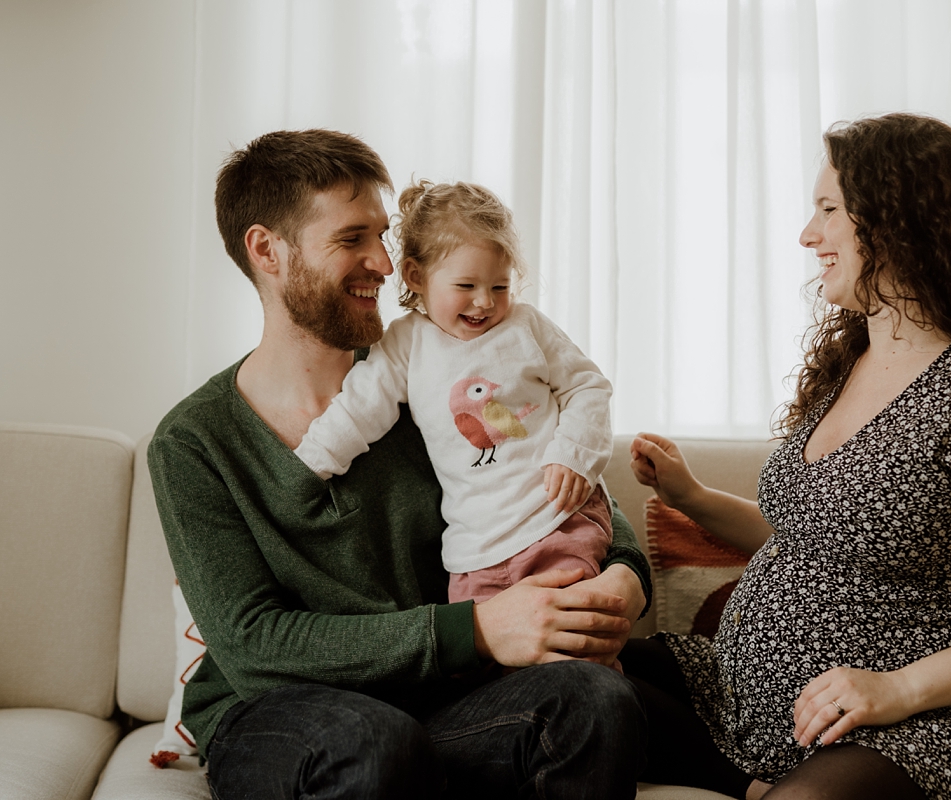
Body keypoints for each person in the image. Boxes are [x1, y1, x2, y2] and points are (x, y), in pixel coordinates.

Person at [148, 129, 652, 800]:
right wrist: (475, 628)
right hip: (279, 713)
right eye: (351, 239)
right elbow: (254, 643)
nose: (386, 266)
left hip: (438, 704)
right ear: (267, 250)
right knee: (374, 744)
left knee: (595, 700)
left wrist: (625, 576)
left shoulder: (433, 378)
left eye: (382, 239)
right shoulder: (194, 441)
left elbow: (560, 483)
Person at [624, 113, 951, 800]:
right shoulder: (846, 367)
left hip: (942, 719)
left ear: (899, 224)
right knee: (570, 675)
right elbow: (823, 544)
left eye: (827, 211)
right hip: (767, 710)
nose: (807, 234)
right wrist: (692, 498)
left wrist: (898, 688)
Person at [295, 179, 616, 617]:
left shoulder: (526, 327)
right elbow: (360, 408)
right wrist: (307, 466)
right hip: (474, 552)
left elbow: (588, 387)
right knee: (484, 669)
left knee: (575, 640)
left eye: (500, 287)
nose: (485, 303)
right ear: (415, 276)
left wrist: (575, 454)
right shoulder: (407, 344)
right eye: (466, 286)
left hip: (556, 520)